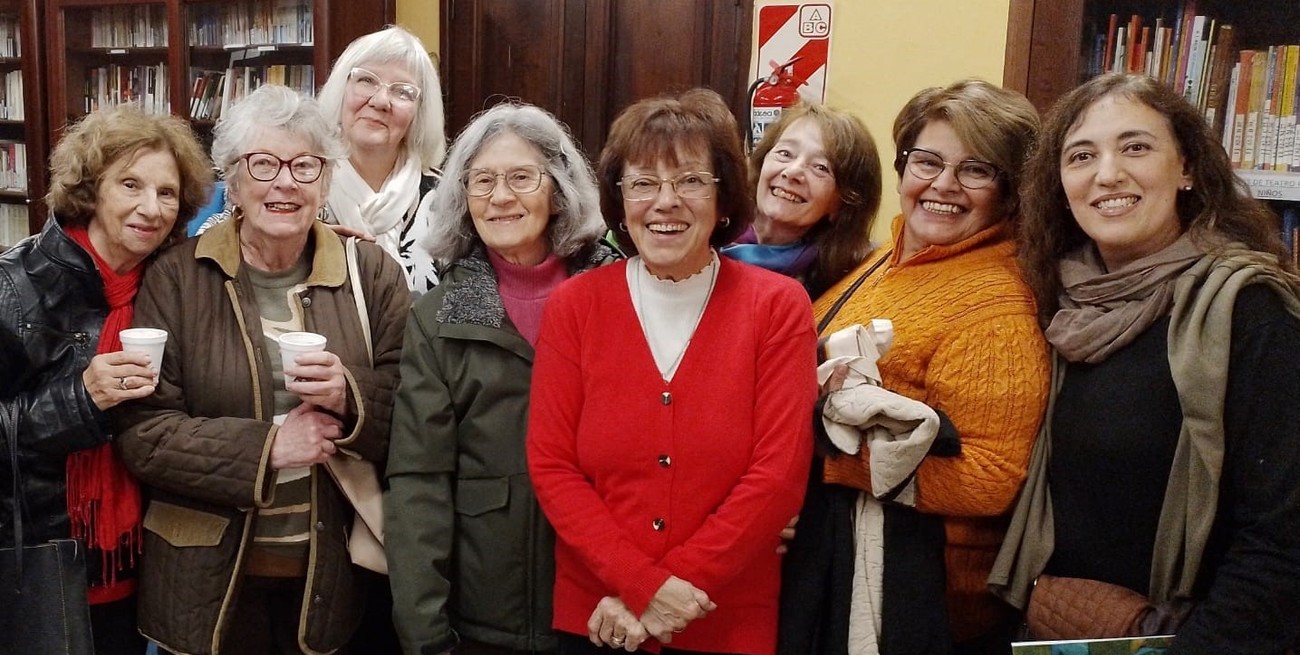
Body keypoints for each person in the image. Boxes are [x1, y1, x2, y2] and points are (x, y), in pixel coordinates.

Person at [990, 72, 1300, 654]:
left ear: (1186, 169)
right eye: (1082, 155)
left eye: (1136, 147)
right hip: (1066, 632)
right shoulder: (1059, 306)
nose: (1108, 173)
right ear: (1059, 183)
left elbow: (1282, 542)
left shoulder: (1250, 313)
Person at [114, 85, 410, 655]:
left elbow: (418, 413)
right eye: (264, 164)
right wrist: (270, 447)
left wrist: (350, 396)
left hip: (336, 578)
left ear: (325, 182)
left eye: (305, 166)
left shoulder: (371, 273)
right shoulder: (178, 277)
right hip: (205, 583)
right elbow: (143, 434)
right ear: (233, 179)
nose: (285, 182)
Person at [526, 88, 817, 655]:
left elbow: (777, 476)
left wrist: (669, 593)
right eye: (643, 183)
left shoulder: (777, 307)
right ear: (620, 199)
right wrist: (643, 588)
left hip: (725, 619)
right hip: (598, 620)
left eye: (688, 181)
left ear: (723, 198)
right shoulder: (575, 306)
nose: (665, 202)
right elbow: (552, 466)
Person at [807, 79, 1050, 654]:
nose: (943, 185)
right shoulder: (887, 263)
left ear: (1010, 190)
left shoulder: (995, 302)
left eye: (976, 170)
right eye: (928, 161)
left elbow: (992, 480)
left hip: (916, 600)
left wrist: (830, 464)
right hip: (839, 559)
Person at [385, 102, 616, 655]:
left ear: (558, 189)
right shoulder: (438, 317)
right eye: (482, 180)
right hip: (483, 619)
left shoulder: (619, 297)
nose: (501, 196)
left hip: (609, 609)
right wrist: (424, 634)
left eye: (521, 177)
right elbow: (419, 484)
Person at [0, 103, 213, 655]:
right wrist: (80, 399)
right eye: (130, 184)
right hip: (39, 558)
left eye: (167, 193)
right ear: (92, 190)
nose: (150, 208)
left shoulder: (175, 285)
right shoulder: (15, 286)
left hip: (144, 553)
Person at [197, 26, 446, 297]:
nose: (381, 100)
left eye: (403, 92)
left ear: (421, 111)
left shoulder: (445, 198)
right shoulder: (296, 175)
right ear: (341, 88)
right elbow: (208, 241)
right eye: (367, 80)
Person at [722, 100, 882, 297]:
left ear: (842, 202)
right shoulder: (708, 237)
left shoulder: (845, 283)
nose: (792, 171)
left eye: (820, 167)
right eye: (785, 153)